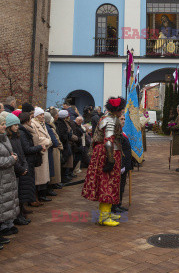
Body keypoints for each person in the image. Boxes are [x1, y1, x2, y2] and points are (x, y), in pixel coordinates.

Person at [82, 96, 126, 226]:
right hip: (108, 154)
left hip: (104, 153)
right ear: (117, 109)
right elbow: (108, 142)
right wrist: (110, 160)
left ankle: (105, 212)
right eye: (121, 109)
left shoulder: (106, 117)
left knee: (106, 183)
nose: (122, 111)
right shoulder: (111, 120)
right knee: (108, 183)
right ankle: (104, 217)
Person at [19, 111, 45, 208]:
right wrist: (39, 147)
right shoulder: (23, 132)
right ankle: (27, 204)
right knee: (26, 184)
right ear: (26, 121)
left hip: (30, 160)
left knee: (29, 183)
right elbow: (27, 149)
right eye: (30, 118)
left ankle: (30, 201)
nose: (31, 120)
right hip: (27, 160)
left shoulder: (26, 130)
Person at [0, 115, 19, 238]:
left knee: (8, 199)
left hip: (8, 175)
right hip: (2, 176)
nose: (4, 126)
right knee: (3, 201)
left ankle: (7, 225)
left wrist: (13, 156)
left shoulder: (4, 137)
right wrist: (11, 159)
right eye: (1, 124)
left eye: (4, 124)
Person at [31, 107, 52, 202]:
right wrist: (47, 141)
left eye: (43, 114)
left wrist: (48, 141)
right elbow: (36, 138)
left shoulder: (42, 124)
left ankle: (42, 193)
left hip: (44, 150)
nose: (42, 116)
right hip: (40, 151)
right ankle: (40, 195)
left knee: (43, 175)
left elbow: (47, 136)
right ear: (36, 115)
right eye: (40, 114)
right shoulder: (33, 124)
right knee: (39, 176)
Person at [112, 112, 132, 214]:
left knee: (122, 186)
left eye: (124, 119)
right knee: (118, 186)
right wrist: (121, 166)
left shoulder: (121, 132)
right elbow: (118, 151)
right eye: (121, 119)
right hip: (120, 164)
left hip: (125, 165)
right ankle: (114, 206)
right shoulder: (116, 133)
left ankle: (118, 204)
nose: (123, 121)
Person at [56, 110, 74, 182]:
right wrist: (68, 134)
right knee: (63, 161)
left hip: (65, 144)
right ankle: (63, 177)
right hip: (64, 144)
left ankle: (64, 176)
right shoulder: (61, 124)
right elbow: (63, 135)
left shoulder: (62, 123)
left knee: (66, 160)